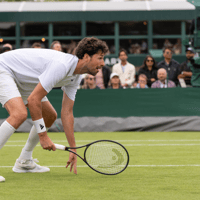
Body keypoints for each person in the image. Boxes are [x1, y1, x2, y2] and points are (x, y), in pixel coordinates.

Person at [0, 37, 108, 182]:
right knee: (19, 114)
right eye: (100, 58)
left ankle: (24, 161)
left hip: (23, 79)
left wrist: (73, 148)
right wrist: (43, 135)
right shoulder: (62, 65)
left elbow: (67, 112)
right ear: (86, 57)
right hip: (4, 68)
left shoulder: (75, 76)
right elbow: (33, 100)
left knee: (50, 116)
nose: (103, 63)